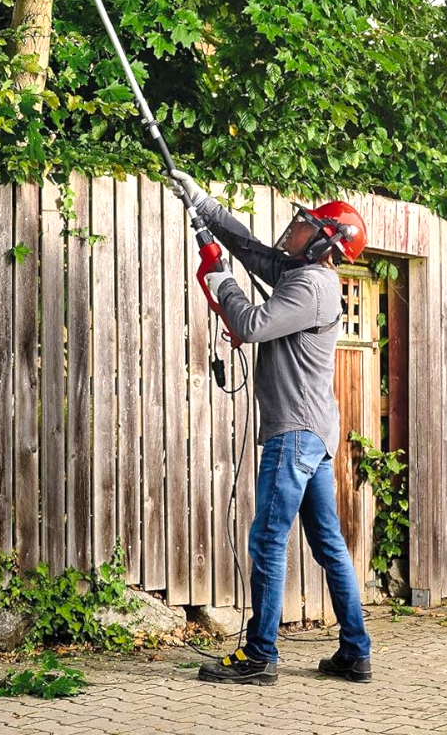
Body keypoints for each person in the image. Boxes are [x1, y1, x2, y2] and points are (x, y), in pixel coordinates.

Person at [166, 169, 373, 687]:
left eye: (309, 226)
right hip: (315, 432)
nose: (296, 230)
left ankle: (259, 657)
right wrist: (203, 205)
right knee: (328, 543)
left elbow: (251, 325)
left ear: (327, 243)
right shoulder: (306, 275)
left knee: (267, 538)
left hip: (296, 434)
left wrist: (217, 276)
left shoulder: (310, 284)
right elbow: (252, 249)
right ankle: (355, 653)